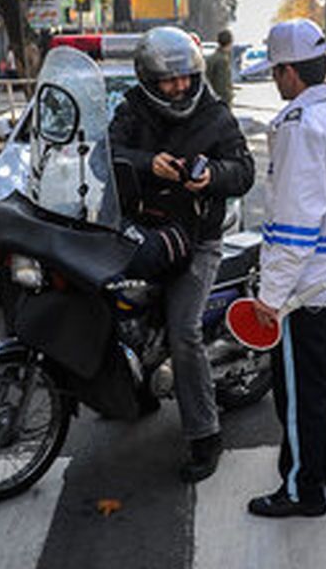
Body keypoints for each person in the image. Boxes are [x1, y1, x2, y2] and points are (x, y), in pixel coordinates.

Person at [243, 18, 326, 518]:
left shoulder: (300, 128)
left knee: (300, 392)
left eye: (276, 71)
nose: (274, 81)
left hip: (307, 284)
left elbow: (297, 223)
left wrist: (270, 298)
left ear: (291, 74)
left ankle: (302, 488)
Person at [109, 26, 255, 483]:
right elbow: (104, 151)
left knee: (184, 331)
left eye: (185, 79)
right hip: (141, 231)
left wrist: (211, 174)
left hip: (198, 239)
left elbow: (244, 170)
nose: (178, 88)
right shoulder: (132, 109)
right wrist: (144, 163)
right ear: (148, 81)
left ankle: (204, 434)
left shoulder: (215, 114)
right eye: (167, 82)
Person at [205, 29, 235, 105]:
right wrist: (229, 97)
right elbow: (222, 85)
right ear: (230, 42)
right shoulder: (222, 60)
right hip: (220, 102)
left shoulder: (212, 57)